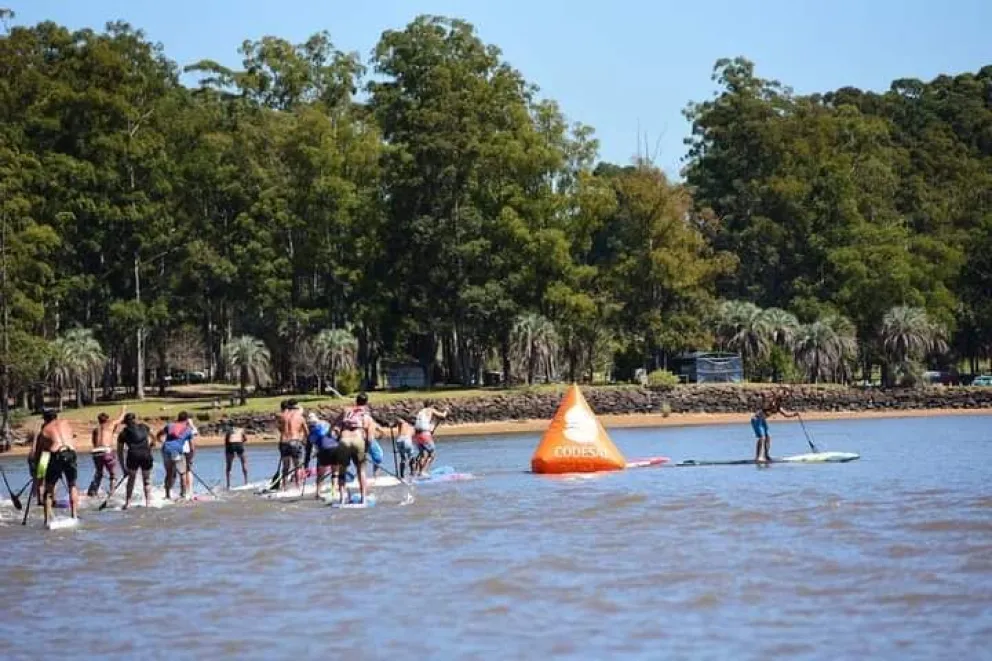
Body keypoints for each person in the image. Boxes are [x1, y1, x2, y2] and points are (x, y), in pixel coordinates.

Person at [31, 409, 79, 523]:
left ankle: (47, 520)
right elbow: (72, 436)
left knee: (48, 489)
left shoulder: (44, 431)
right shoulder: (66, 423)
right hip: (71, 453)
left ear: (45, 419)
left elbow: (38, 454)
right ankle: (74, 516)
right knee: (72, 485)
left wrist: (36, 470)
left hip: (54, 455)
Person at [330, 392, 378, 504]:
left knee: (342, 470)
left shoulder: (346, 412)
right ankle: (363, 499)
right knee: (361, 470)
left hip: (344, 440)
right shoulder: (367, 418)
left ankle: (342, 498)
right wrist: (365, 451)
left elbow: (334, 426)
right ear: (366, 403)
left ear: (356, 401)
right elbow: (370, 439)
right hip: (358, 440)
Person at [117, 413, 155, 509]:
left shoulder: (123, 433)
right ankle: (148, 503)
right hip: (146, 455)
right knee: (146, 480)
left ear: (125, 423)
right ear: (135, 420)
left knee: (131, 479)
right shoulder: (144, 427)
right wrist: (151, 446)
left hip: (133, 456)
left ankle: (128, 503)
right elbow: (153, 437)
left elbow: (119, 452)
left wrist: (123, 468)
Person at [87, 407, 126, 497]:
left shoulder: (95, 429)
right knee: (112, 474)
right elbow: (120, 419)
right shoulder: (110, 424)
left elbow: (94, 443)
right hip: (106, 451)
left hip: (96, 452)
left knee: (99, 473)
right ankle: (112, 492)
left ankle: (93, 492)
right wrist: (123, 410)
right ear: (107, 420)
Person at [751, 390, 799, 463]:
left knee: (768, 437)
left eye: (781, 401)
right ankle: (758, 457)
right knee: (762, 438)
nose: (780, 402)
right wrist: (766, 395)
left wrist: (794, 414)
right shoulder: (770, 404)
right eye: (779, 400)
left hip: (762, 420)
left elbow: (786, 415)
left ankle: (766, 456)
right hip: (756, 420)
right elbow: (765, 400)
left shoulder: (778, 408)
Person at [157, 412, 195, 499]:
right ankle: (183, 495)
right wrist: (190, 458)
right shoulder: (188, 430)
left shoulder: (170, 425)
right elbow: (192, 447)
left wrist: (160, 441)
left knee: (169, 473)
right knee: (182, 473)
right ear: (186, 420)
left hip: (165, 450)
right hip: (177, 451)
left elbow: (159, 433)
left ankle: (167, 495)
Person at [306, 412, 339, 500]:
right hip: (335, 448)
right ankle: (334, 492)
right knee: (335, 472)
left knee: (320, 474)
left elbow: (308, 452)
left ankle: (318, 493)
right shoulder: (325, 424)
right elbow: (335, 433)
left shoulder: (310, 435)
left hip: (323, 451)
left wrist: (306, 465)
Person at [276, 399, 307, 490]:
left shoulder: (281, 416)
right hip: (295, 441)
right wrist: (305, 441)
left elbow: (280, 429)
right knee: (297, 466)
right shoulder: (300, 417)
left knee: (285, 467)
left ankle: (284, 487)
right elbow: (307, 432)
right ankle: (298, 486)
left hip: (283, 442)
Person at [413, 401, 449, 476]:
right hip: (424, 434)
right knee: (432, 454)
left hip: (417, 435)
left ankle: (417, 472)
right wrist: (446, 410)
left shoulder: (420, 412)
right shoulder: (430, 410)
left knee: (422, 455)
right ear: (431, 405)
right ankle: (423, 471)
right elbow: (442, 416)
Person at [223, 420, 250, 489]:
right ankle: (246, 482)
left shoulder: (228, 431)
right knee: (244, 463)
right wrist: (240, 442)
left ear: (229, 425)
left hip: (231, 446)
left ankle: (228, 485)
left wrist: (227, 452)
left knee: (229, 466)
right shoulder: (241, 430)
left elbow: (226, 441)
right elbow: (245, 439)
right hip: (239, 445)